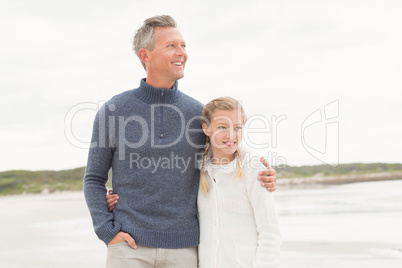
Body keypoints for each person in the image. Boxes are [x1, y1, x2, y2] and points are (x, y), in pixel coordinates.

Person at [84, 15, 277, 268]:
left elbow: (227, 152)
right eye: (172, 46)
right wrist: (107, 231)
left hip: (185, 250)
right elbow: (94, 178)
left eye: (183, 46)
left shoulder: (198, 114)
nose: (182, 53)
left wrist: (263, 170)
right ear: (146, 55)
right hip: (129, 248)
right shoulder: (113, 111)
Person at [108, 97, 281, 267]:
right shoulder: (197, 170)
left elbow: (270, 232)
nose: (231, 135)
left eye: (237, 127)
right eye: (222, 127)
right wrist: (120, 201)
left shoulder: (255, 170)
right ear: (206, 128)